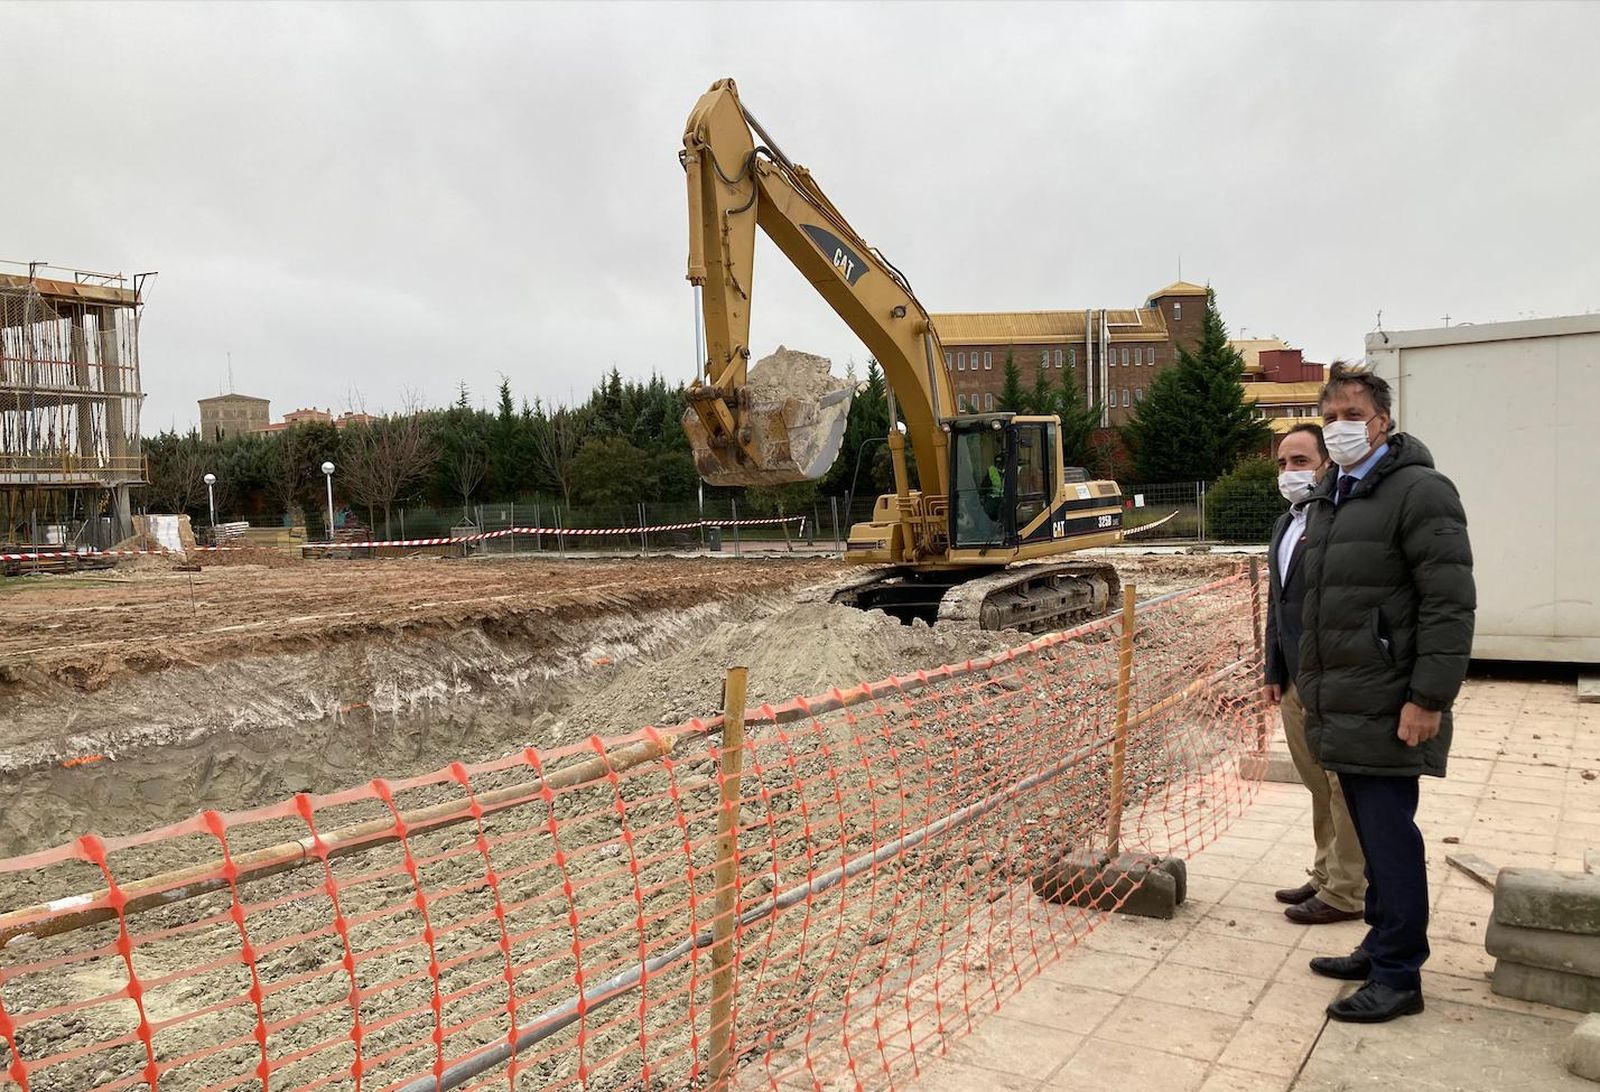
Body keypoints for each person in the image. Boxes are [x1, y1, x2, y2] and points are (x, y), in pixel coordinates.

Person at [1297, 362, 1475, 1024]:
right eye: (1331, 416)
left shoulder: (1420, 492)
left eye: (1353, 415)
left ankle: (1400, 975)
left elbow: (1449, 604)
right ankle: (1379, 943)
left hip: (1390, 702)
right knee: (1372, 838)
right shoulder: (1334, 492)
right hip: (1344, 699)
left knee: (1391, 839)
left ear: (1383, 421)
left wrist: (1429, 697)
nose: (1340, 427)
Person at [1264, 423, 1366, 926]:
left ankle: (1348, 889)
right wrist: (1273, 669)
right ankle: (1327, 871)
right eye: (1283, 463)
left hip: (1335, 676)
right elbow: (1276, 603)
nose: (1289, 472)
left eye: (1300, 461)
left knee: (1342, 784)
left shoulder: (1343, 520)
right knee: (1317, 784)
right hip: (1296, 678)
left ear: (1327, 464)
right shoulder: (1288, 524)